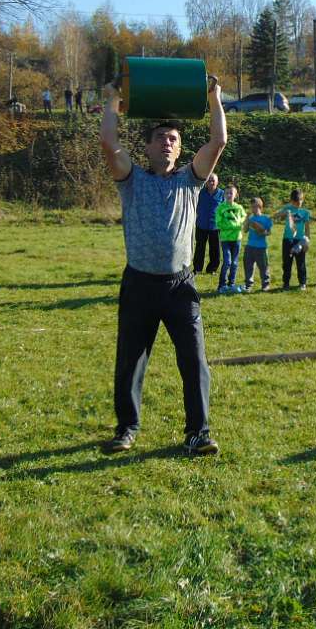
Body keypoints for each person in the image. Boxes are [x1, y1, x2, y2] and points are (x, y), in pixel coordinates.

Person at [98, 74, 226, 456]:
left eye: (173, 139)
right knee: (131, 361)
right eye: (160, 138)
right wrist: (112, 99)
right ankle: (126, 429)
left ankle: (198, 433)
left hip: (179, 287)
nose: (166, 143)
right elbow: (108, 142)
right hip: (139, 283)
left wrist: (214, 96)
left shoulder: (191, 179)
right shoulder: (130, 178)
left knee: (194, 361)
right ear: (149, 147)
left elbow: (218, 141)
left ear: (180, 148)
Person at [276, 189, 311, 290]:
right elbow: (277, 216)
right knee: (287, 263)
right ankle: (286, 283)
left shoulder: (305, 212)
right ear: (291, 201)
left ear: (302, 200)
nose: (298, 203)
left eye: (300, 201)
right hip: (287, 239)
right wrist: (284, 213)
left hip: (300, 241)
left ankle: (302, 283)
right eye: (296, 202)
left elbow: (307, 228)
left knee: (301, 263)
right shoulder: (287, 208)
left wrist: (307, 240)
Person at [215, 186, 246, 294]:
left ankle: (231, 284)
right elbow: (219, 223)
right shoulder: (220, 208)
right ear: (224, 195)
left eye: (231, 193)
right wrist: (233, 225)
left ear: (235, 195)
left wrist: (238, 224)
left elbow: (243, 218)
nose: (229, 195)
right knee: (227, 262)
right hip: (225, 239)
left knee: (234, 263)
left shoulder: (239, 208)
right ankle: (221, 285)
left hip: (237, 239)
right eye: (227, 193)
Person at [192, 172, 224, 276]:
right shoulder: (200, 192)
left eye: (213, 180)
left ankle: (212, 269)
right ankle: (197, 269)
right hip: (201, 225)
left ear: (217, 182)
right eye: (209, 180)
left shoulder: (222, 194)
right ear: (206, 182)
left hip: (216, 226)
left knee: (215, 249)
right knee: (199, 248)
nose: (211, 182)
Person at [242, 198, 272, 291]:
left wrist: (263, 232)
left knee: (263, 267)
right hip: (250, 246)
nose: (253, 209)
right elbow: (245, 230)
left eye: (255, 207)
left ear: (260, 207)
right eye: (252, 207)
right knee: (248, 266)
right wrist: (247, 219)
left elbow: (269, 232)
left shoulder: (266, 218)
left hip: (261, 247)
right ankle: (248, 285)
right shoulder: (250, 218)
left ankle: (265, 284)